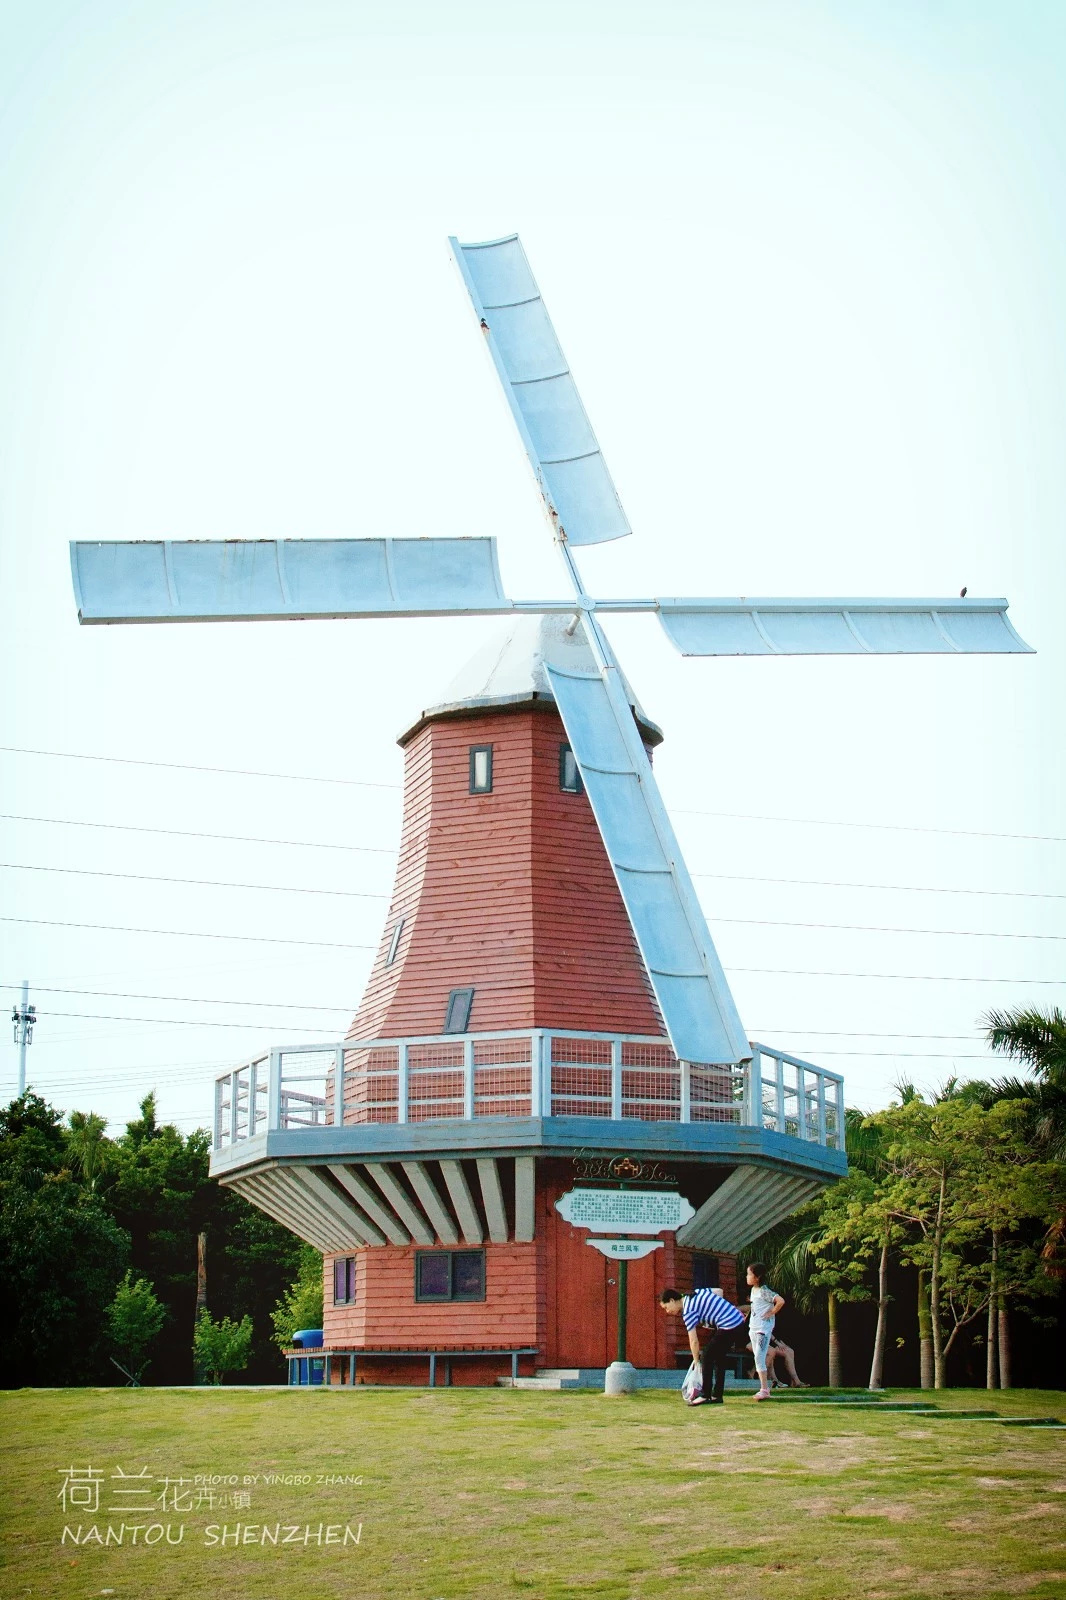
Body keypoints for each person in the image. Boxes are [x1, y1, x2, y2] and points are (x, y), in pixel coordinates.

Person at [660, 1285, 746, 1405]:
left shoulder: (688, 1311)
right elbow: (719, 1291)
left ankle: (705, 1395)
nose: (667, 1311)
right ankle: (717, 1395)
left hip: (729, 1324)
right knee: (719, 1357)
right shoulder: (694, 1292)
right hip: (737, 1320)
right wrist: (715, 1312)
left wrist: (696, 1361)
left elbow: (693, 1341)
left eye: (666, 1307)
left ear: (672, 1300)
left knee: (706, 1356)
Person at [745, 1261, 785, 1401]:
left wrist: (772, 1312)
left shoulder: (764, 1291)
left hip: (762, 1329)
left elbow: (780, 1301)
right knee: (758, 1357)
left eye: (749, 1274)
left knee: (759, 1357)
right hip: (754, 1328)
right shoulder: (753, 1291)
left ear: (757, 1277)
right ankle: (764, 1388)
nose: (747, 1277)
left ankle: (764, 1389)